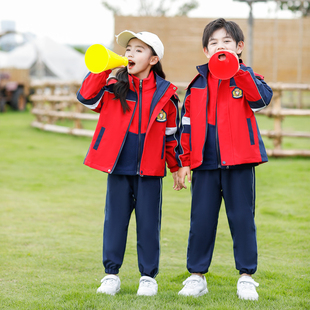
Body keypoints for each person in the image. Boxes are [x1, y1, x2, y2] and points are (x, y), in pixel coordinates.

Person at [76, 30, 180, 296]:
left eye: (138, 50)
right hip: (118, 168)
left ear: (154, 60)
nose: (130, 54)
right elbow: (86, 97)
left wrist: (177, 167)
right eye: (128, 49)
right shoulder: (112, 87)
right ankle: (111, 275)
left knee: (148, 224)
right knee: (115, 221)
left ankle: (148, 277)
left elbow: (171, 137)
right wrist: (105, 67)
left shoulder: (167, 96)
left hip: (151, 172)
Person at [176, 18, 273, 300]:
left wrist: (238, 70)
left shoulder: (247, 77)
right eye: (214, 43)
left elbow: (261, 101)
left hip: (240, 161)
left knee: (242, 218)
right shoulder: (196, 85)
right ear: (205, 50)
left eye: (227, 42)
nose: (221, 47)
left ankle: (246, 277)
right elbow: (187, 126)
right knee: (201, 220)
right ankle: (196, 276)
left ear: (239, 47)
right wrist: (183, 161)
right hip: (204, 164)